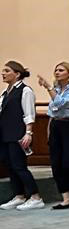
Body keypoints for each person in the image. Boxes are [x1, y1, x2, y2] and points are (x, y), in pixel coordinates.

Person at [37, 61, 69, 209]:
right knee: (56, 164)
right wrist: (49, 131)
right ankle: (67, 199)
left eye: (61, 70)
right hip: (56, 126)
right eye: (56, 70)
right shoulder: (57, 89)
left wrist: (48, 87)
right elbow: (52, 113)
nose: (57, 72)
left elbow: (60, 104)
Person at [0, 61, 41, 211]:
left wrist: (28, 133)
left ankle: (36, 197)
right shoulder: (5, 92)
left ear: (17, 74)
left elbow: (29, 113)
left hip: (18, 134)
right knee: (10, 166)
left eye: (6, 70)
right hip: (5, 135)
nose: (3, 73)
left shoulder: (25, 91)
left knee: (19, 166)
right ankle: (19, 196)